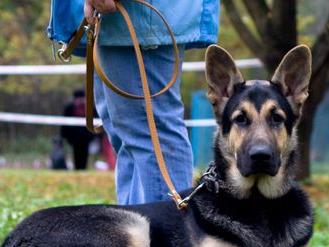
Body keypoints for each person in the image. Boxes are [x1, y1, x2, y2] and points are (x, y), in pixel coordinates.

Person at [49, 0, 219, 204]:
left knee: (152, 135)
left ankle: (165, 232)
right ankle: (140, 229)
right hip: (120, 22)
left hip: (137, 18)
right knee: (130, 139)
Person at [60, 89, 96, 170]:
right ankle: (80, 168)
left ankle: (81, 168)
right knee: (79, 153)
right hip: (77, 137)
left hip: (84, 136)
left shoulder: (89, 107)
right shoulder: (70, 108)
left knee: (82, 153)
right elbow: (65, 123)